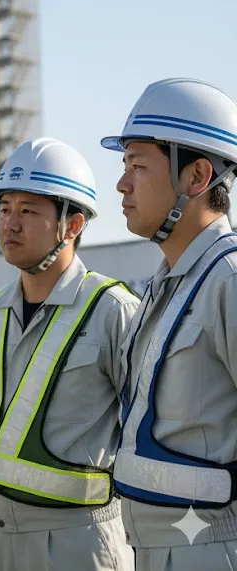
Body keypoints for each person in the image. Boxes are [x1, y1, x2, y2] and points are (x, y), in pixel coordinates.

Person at [0, 136, 139, 571]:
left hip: (80, 540)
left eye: (28, 211)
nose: (10, 224)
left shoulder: (113, 310)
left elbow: (144, 431)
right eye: (5, 208)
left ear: (73, 225)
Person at [102, 78, 237, 571]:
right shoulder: (168, 284)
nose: (122, 183)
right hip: (156, 548)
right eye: (125, 166)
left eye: (138, 166)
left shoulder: (228, 280)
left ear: (197, 176)